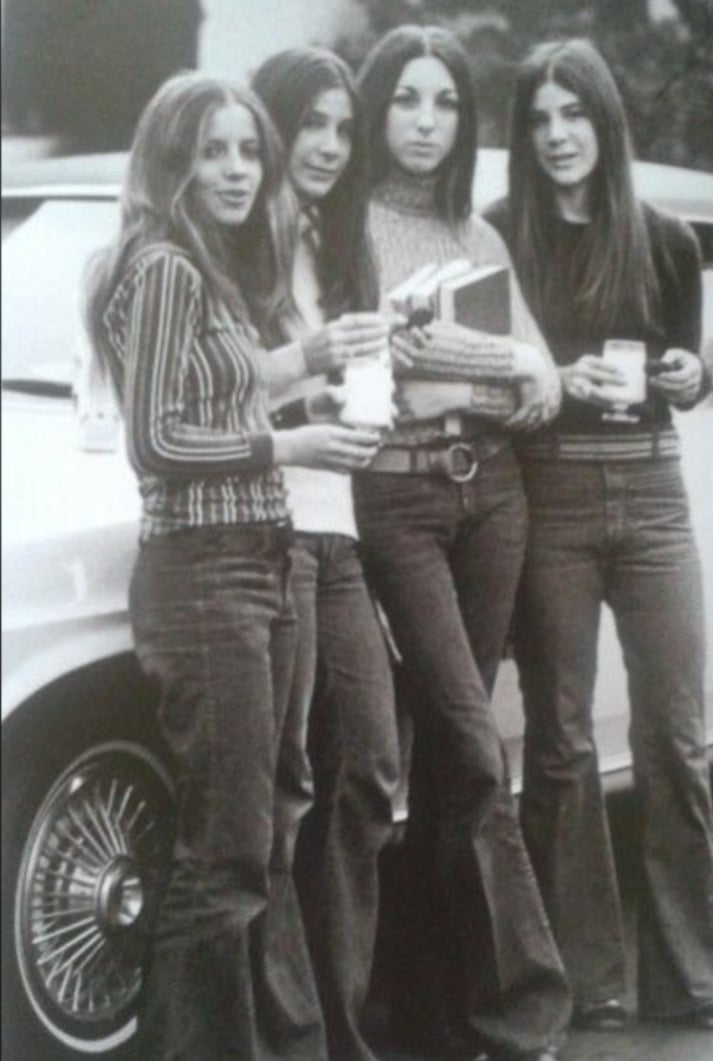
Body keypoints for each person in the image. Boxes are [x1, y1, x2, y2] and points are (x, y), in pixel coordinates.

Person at [85, 71, 381, 1060]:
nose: (237, 170)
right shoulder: (165, 267)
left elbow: (225, 393)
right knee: (224, 854)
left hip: (262, 557)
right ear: (171, 161)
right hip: (206, 574)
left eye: (249, 151)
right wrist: (292, 444)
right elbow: (156, 441)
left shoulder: (208, 271)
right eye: (211, 151)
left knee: (262, 835)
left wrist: (311, 376)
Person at [484, 37, 713, 1034]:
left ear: (604, 120)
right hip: (550, 493)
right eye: (540, 119)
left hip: (654, 491)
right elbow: (485, 380)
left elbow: (691, 368)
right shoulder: (499, 236)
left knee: (672, 733)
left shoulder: (666, 238)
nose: (557, 136)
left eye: (574, 113)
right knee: (559, 739)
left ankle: (691, 974)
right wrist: (549, 384)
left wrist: (689, 375)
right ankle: (586, 977)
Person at [353, 25, 571, 1061]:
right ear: (376, 108)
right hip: (397, 502)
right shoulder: (347, 226)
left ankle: (428, 1007)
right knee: (474, 745)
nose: (426, 122)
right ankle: (525, 1009)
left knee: (450, 755)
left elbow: (544, 382)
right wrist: (501, 363)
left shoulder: (478, 235)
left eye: (444, 102)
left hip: (494, 497)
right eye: (406, 98)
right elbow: (385, 361)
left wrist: (495, 366)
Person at [249, 47, 401, 1061]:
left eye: (344, 129)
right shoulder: (233, 242)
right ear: (269, 126)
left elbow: (362, 391)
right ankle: (289, 1037)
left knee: (369, 770)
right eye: (310, 123)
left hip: (337, 529)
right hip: (268, 526)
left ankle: (339, 1027)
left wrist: (364, 398)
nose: (331, 146)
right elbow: (211, 395)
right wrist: (308, 387)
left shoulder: (339, 246)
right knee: (279, 788)